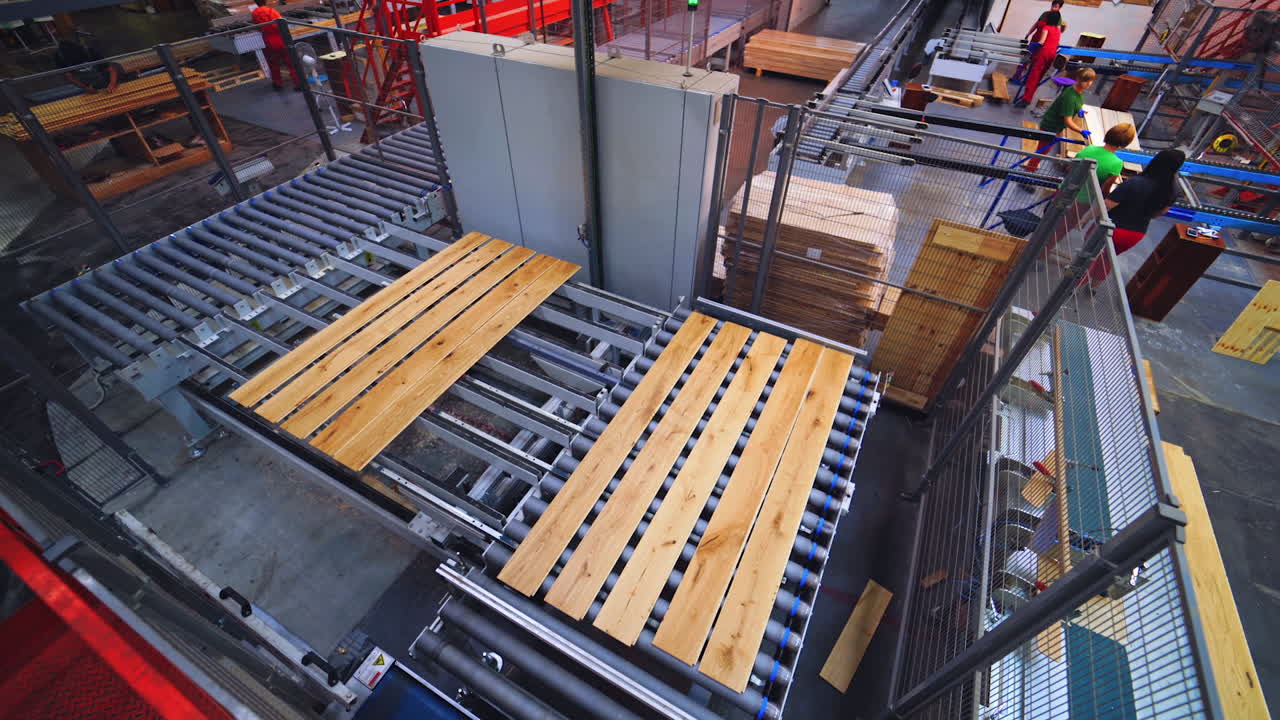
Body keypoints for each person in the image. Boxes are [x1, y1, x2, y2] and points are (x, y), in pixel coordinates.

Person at [1088, 149, 1186, 286]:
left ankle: (1072, 284)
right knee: (1107, 260)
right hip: (1134, 234)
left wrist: (1087, 218)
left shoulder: (1135, 182)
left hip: (1110, 227)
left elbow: (1107, 205)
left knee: (1089, 256)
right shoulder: (1172, 190)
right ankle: (1093, 287)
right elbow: (1161, 212)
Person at [1024, 68, 1094, 173]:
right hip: (1050, 127)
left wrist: (1078, 109)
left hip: (1058, 126)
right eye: (1085, 81)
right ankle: (1028, 172)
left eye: (1091, 80)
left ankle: (1030, 169)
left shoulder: (1077, 90)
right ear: (1078, 79)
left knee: (1044, 150)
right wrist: (1081, 131)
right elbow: (1068, 121)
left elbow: (1076, 103)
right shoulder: (1070, 97)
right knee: (1041, 152)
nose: (1089, 84)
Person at [1013, 10, 1064, 107]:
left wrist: (1031, 50)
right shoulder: (1058, 30)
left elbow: (1041, 42)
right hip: (1052, 54)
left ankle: (1026, 99)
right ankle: (1028, 96)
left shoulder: (1046, 28)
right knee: (1039, 77)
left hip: (1043, 53)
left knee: (1033, 76)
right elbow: (1056, 43)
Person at [1076, 122, 1134, 199]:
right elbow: (1104, 191)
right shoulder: (1117, 163)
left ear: (1108, 134)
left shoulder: (1089, 148)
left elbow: (1069, 168)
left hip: (1065, 192)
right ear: (1125, 144)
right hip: (1085, 200)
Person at [252, 0, 300, 91]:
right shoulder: (271, 11)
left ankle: (277, 84)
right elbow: (281, 23)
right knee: (290, 62)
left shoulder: (255, 13)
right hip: (280, 38)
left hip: (268, 40)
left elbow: (257, 27)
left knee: (273, 63)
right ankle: (298, 83)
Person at [55, 34, 121, 94]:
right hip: (91, 85)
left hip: (106, 79)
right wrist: (86, 88)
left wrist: (112, 84)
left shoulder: (91, 52)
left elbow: (110, 68)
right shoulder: (61, 58)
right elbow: (69, 77)